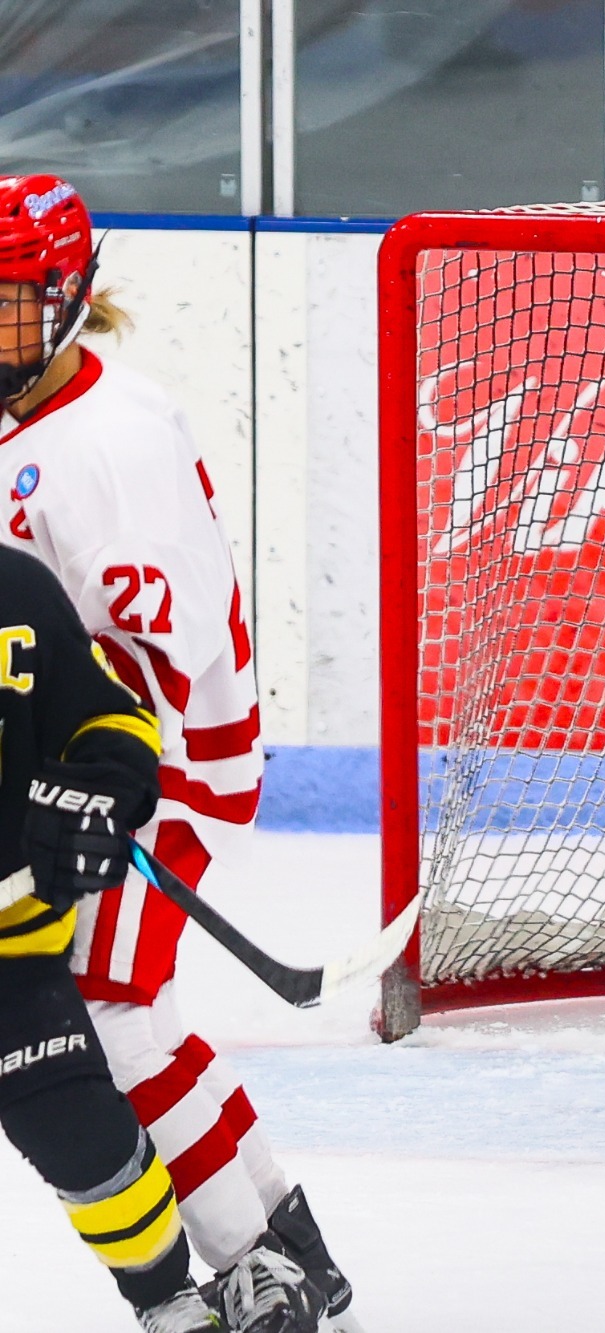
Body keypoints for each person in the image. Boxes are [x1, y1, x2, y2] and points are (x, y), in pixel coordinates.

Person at [0, 175, 355, 1331]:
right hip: (96, 750)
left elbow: (179, 651)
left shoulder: (108, 447)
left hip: (165, 763)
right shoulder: (33, 420)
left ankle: (260, 1261)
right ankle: (286, 1247)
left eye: (10, 305)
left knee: (106, 1007)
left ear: (66, 301)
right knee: (122, 1005)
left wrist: (110, 780)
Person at [0, 539, 221, 1330]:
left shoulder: (15, 586)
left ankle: (171, 1301)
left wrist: (97, 789)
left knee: (89, 1144)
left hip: (11, 955)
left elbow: (110, 716)